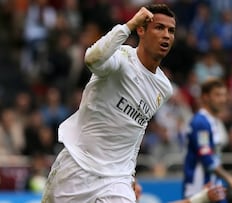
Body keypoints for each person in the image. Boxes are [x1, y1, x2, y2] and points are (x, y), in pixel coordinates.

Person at [41, 4, 176, 203]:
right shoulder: (120, 59)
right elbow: (92, 59)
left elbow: (136, 132)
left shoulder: (164, 88)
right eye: (159, 27)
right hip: (78, 166)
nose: (166, 35)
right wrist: (128, 24)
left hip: (116, 180)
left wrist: (129, 175)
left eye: (171, 30)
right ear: (141, 30)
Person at [182, 78, 232, 203]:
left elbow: (215, 156)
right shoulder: (200, 122)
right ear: (205, 97)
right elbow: (207, 158)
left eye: (224, 95)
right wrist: (231, 180)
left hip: (213, 186)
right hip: (199, 188)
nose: (223, 100)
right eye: (217, 95)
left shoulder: (214, 121)